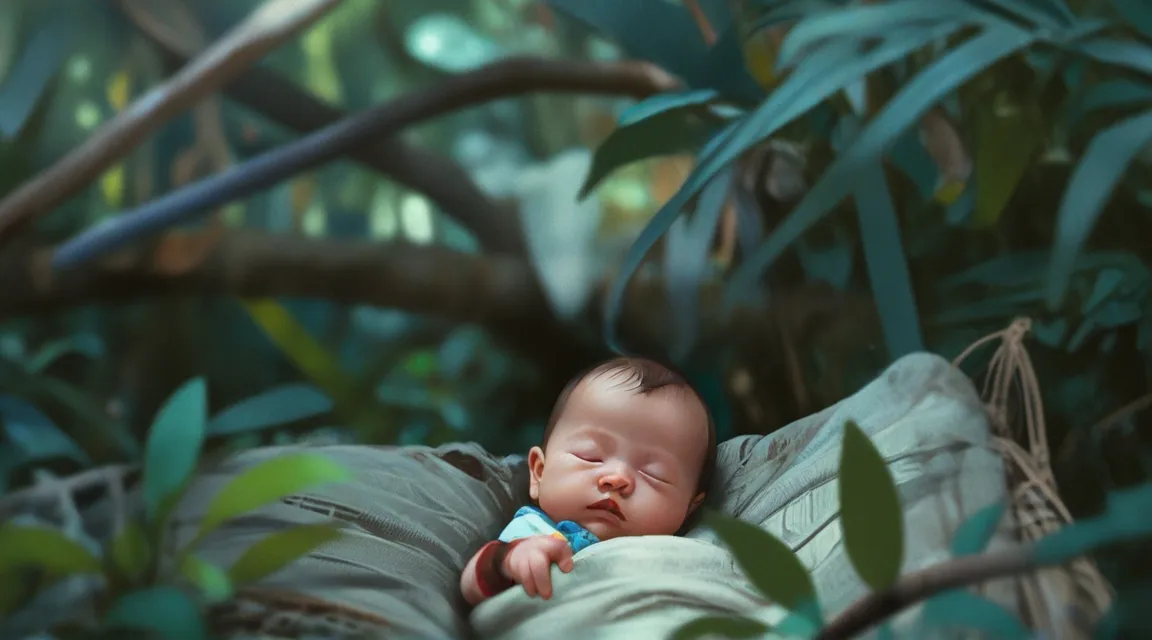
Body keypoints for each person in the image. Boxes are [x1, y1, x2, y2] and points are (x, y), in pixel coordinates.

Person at [460, 357, 717, 605]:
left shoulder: (683, 556)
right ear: (539, 472)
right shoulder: (533, 534)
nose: (617, 479)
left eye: (653, 474)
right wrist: (508, 561)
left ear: (689, 508)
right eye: (591, 457)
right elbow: (471, 588)